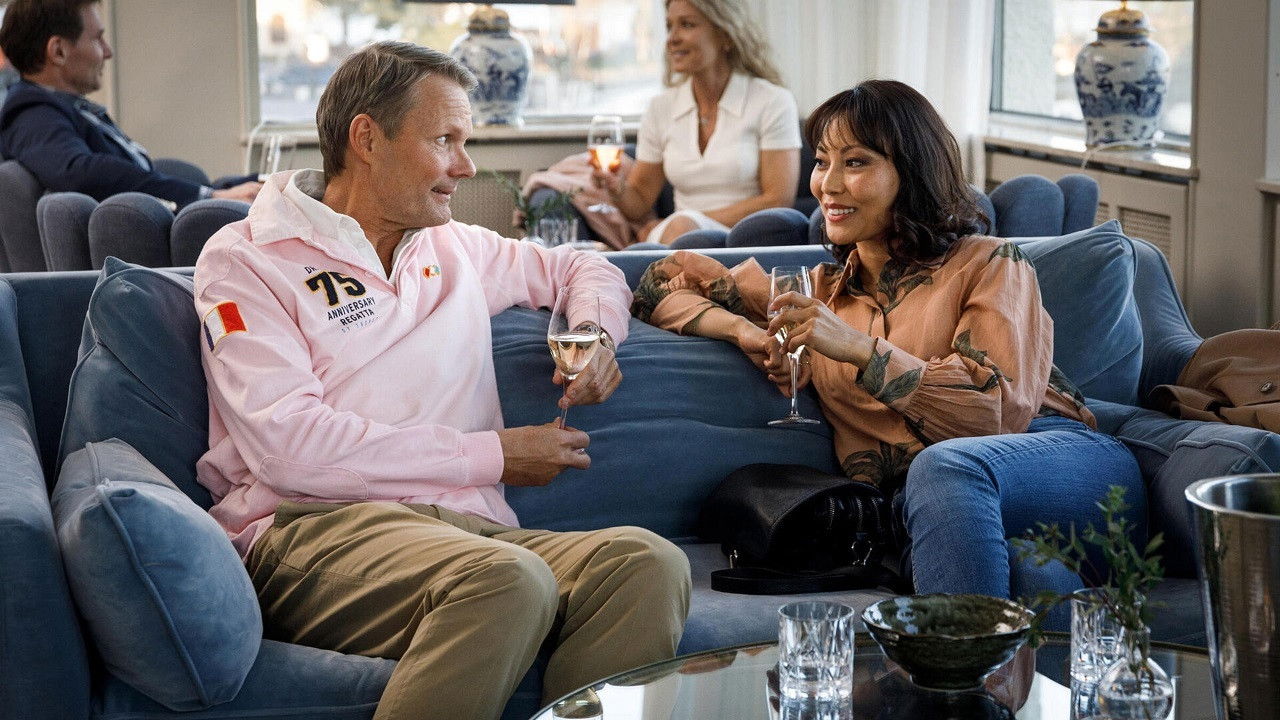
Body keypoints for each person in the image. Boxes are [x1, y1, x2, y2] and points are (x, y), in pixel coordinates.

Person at [194, 41, 690, 720]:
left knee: (647, 566)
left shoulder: (451, 245)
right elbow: (288, 446)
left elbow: (583, 267)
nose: (466, 165)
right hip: (314, 530)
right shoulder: (246, 260)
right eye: (444, 141)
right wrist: (494, 456)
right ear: (367, 139)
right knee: (506, 581)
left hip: (468, 534)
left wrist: (597, 335)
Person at [632, 80, 1144, 605]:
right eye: (822, 162)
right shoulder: (816, 295)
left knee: (942, 470)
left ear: (912, 172)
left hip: (1058, 465)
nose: (828, 184)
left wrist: (857, 347)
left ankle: (956, 654)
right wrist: (745, 331)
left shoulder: (990, 263)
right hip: (932, 511)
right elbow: (659, 283)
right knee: (1034, 578)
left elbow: (992, 417)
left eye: (855, 162)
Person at [0, 0, 260, 207]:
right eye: (97, 39)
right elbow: (78, 172)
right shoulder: (31, 115)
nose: (108, 52)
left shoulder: (64, 109)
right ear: (58, 51)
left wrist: (245, 184)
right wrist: (208, 197)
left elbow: (144, 179)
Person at [593, 0, 800, 246]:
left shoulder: (773, 101)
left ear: (725, 36)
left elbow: (778, 200)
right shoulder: (660, 108)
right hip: (678, 235)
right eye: (669, 26)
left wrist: (686, 220)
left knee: (680, 230)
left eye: (687, 25)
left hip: (745, 235)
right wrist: (617, 188)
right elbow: (638, 202)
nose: (672, 38)